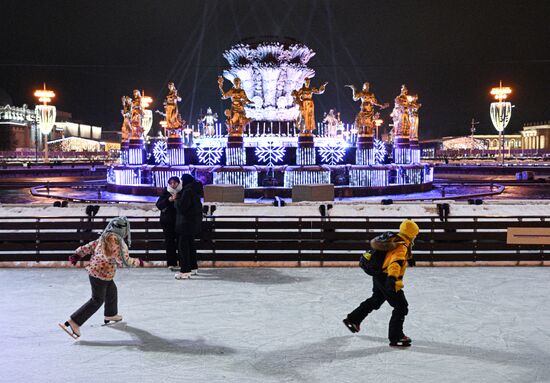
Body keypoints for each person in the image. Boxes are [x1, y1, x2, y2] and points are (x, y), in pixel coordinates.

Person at [59, 217, 143, 339]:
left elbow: (89, 246)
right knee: (97, 300)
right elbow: (124, 261)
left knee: (111, 291)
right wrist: (137, 262)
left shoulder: (104, 236)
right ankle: (74, 322)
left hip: (99, 272)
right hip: (101, 274)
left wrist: (77, 254)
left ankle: (111, 314)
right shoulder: (118, 243)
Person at [343, 219, 419, 347]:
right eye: (415, 234)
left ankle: (353, 319)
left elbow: (392, 256)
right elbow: (395, 262)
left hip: (379, 275)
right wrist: (392, 279)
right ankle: (396, 337)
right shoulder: (402, 245)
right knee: (401, 306)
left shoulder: (396, 239)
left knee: (376, 299)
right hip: (387, 278)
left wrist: (408, 258)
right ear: (411, 234)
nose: (416, 237)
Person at [174, 174, 203, 280]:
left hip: (185, 224)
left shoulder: (187, 191)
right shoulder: (195, 190)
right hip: (192, 223)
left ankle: (185, 271)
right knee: (190, 245)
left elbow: (182, 207)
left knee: (183, 247)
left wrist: (176, 199)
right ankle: (193, 267)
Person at [156, 176, 182, 270]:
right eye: (171, 183)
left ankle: (182, 262)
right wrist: (169, 200)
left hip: (179, 222)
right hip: (167, 222)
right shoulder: (166, 192)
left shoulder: (183, 191)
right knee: (169, 243)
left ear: (178, 183)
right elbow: (159, 204)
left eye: (175, 183)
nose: (173, 185)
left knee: (180, 243)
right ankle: (171, 263)